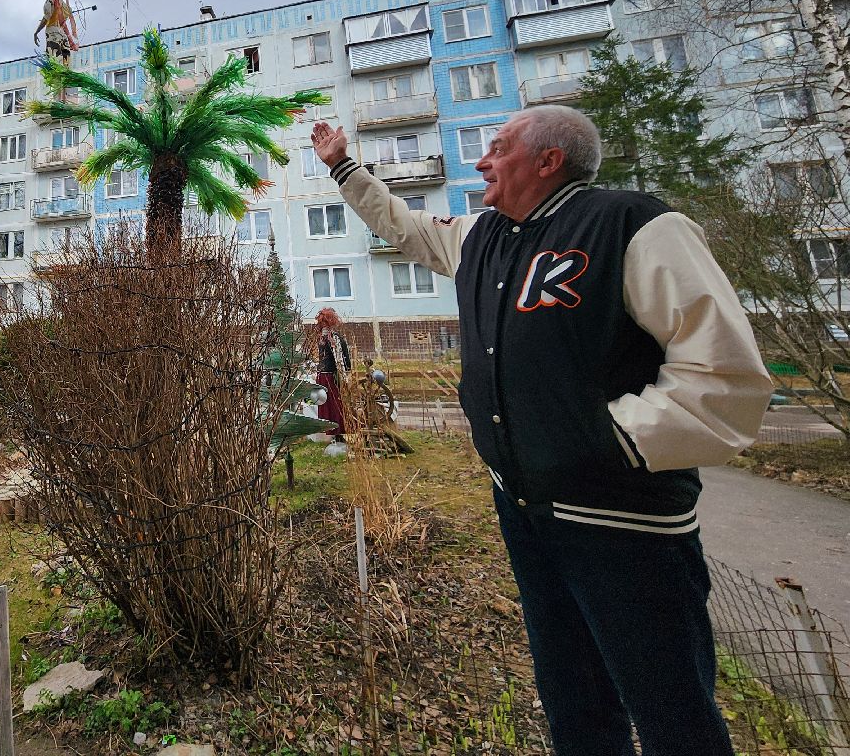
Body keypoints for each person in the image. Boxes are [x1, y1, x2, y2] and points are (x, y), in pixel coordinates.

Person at [312, 106, 773, 756]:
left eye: (497, 147)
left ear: (548, 160)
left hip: (626, 531)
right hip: (527, 515)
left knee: (675, 717)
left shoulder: (635, 226)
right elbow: (402, 227)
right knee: (574, 705)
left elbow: (727, 380)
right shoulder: (480, 236)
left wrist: (603, 442)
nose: (480, 160)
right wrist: (342, 166)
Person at [313, 307, 351, 437]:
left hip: (325, 376)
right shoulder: (331, 338)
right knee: (333, 403)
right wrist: (346, 376)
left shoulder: (323, 338)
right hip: (329, 376)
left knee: (329, 403)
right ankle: (336, 430)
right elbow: (341, 360)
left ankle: (333, 430)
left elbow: (339, 358)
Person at [32, 0, 77, 65]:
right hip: (63, 35)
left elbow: (46, 17)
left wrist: (36, 32)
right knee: (65, 60)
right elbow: (59, 1)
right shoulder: (64, 7)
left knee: (53, 59)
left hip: (53, 32)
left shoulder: (50, 1)